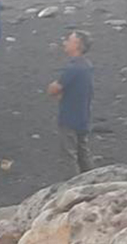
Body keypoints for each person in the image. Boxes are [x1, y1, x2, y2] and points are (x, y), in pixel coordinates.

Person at [47, 30, 95, 174]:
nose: (64, 42)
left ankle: (72, 188)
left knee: (69, 156)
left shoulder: (73, 68)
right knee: (83, 155)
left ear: (77, 44)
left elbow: (53, 90)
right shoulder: (87, 65)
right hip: (83, 116)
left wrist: (54, 88)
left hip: (69, 117)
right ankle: (91, 184)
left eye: (68, 40)